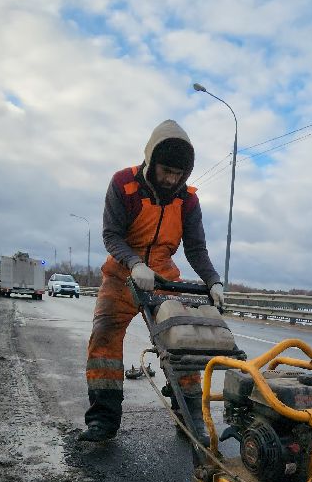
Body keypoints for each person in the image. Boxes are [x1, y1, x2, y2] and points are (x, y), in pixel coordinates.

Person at [78, 119, 224, 442]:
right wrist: (133, 263)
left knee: (181, 341)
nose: (171, 179)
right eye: (166, 171)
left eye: (178, 174)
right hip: (122, 273)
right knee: (104, 337)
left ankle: (189, 418)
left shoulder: (188, 200)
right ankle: (102, 420)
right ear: (151, 161)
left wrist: (213, 280)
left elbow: (196, 249)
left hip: (163, 278)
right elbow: (111, 235)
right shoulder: (123, 184)